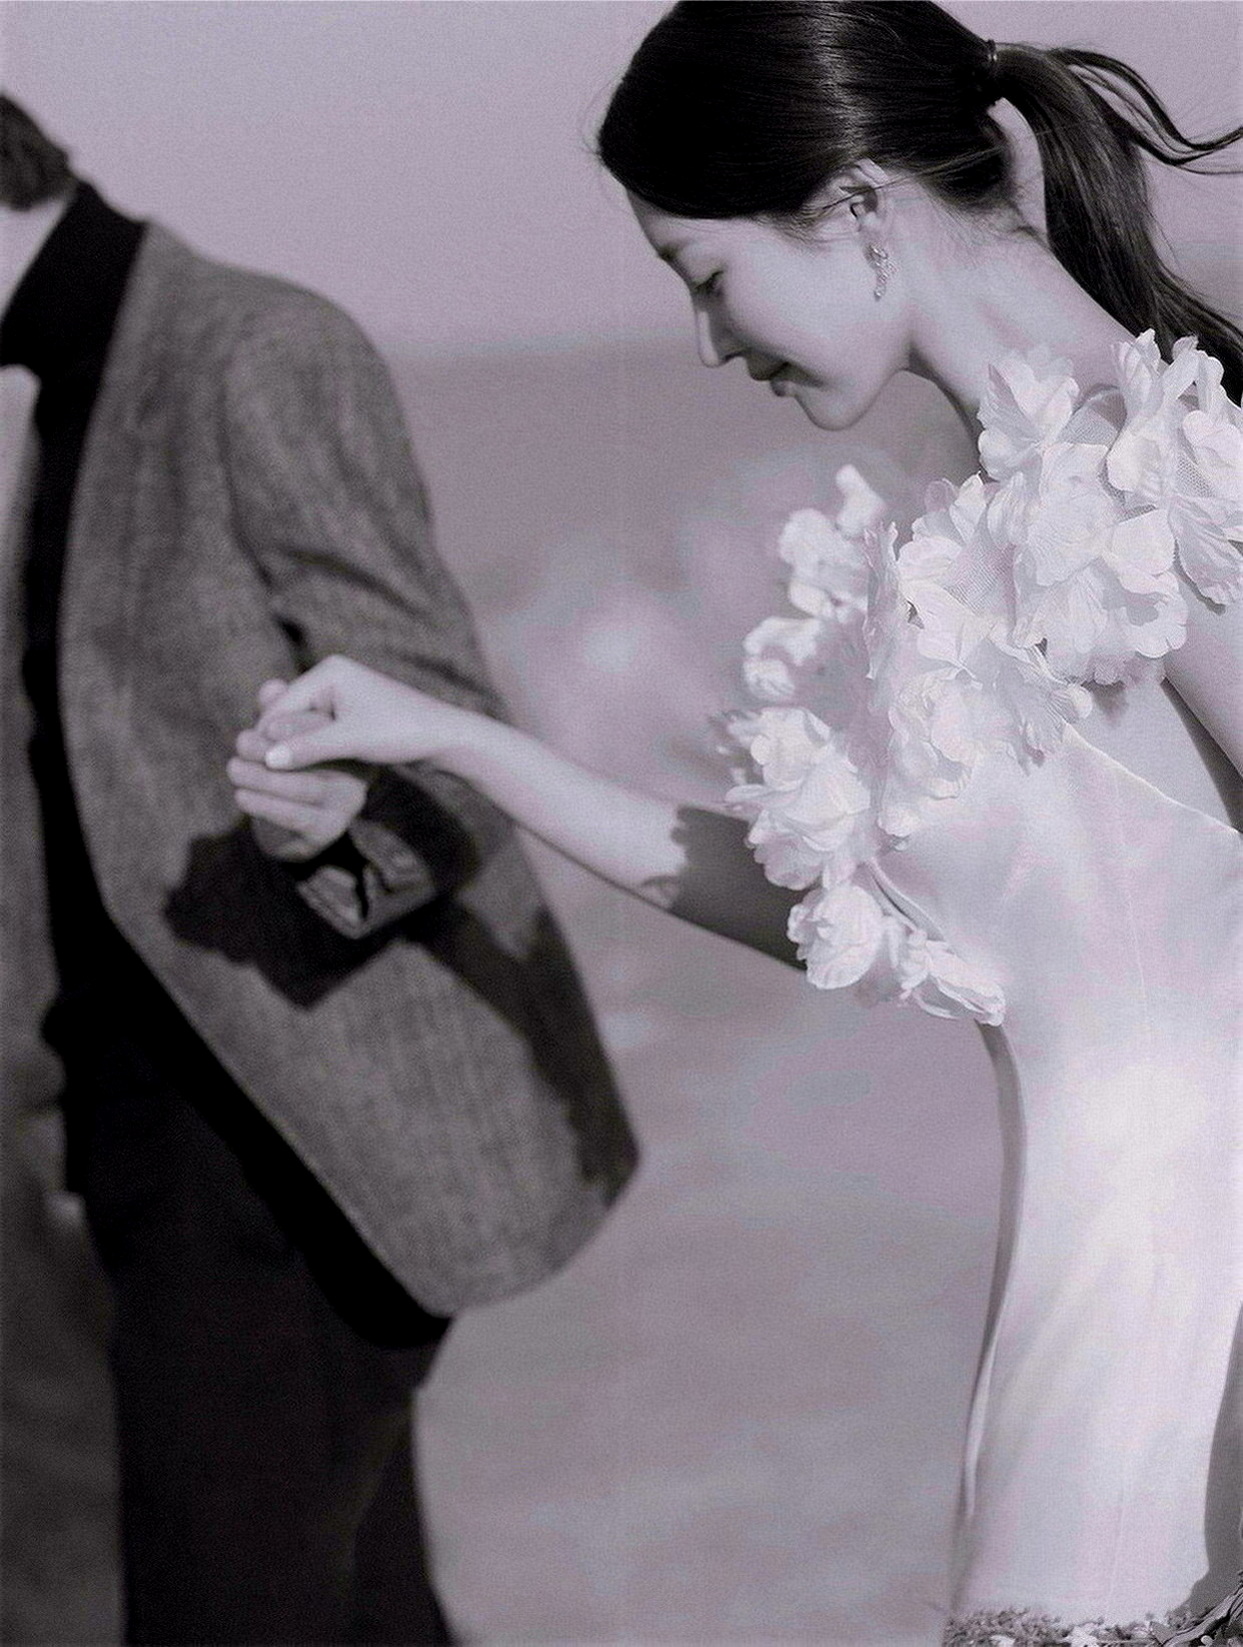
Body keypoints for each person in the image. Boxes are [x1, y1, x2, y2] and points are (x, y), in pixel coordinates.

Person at [236, 2, 1243, 1641]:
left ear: (854, 206)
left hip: (1195, 1395)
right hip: (1070, 1395)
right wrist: (461, 742)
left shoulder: (1157, 476)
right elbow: (834, 912)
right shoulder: (991, 514)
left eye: (703, 274)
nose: (707, 341)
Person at [0, 94, 637, 1646]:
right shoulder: (71, 389)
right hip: (166, 1139)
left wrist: (339, 831)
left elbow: (446, 716)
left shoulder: (251, 351)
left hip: (296, 1141)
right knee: (360, 1613)